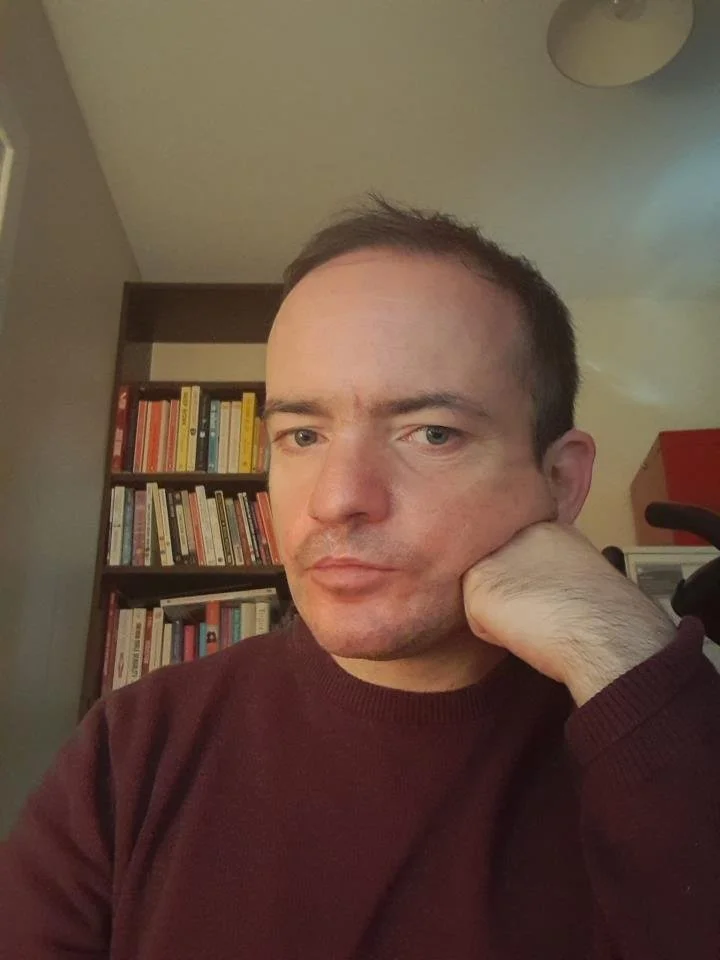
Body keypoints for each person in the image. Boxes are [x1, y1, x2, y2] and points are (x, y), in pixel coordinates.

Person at [1, 197, 719, 960]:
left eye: (431, 433)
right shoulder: (133, 745)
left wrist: (627, 654)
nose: (338, 498)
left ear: (560, 479)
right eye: (302, 435)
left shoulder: (654, 753)